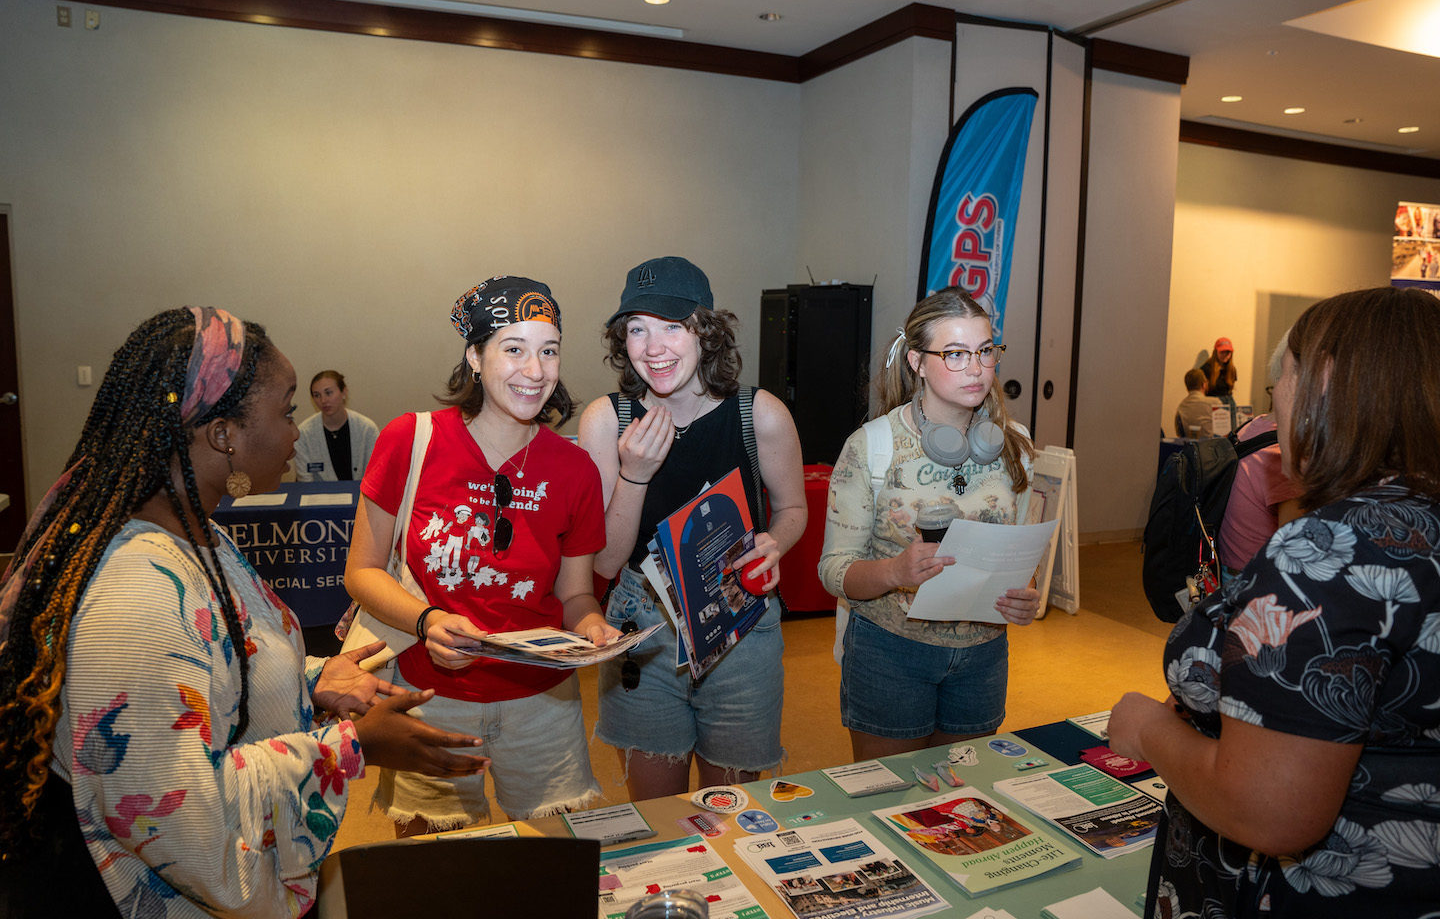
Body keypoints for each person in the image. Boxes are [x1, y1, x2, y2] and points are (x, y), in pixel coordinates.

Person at [0, 307, 486, 918]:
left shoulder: (191, 529)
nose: (295, 435)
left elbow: (214, 665)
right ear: (223, 434)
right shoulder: (135, 596)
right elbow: (186, 830)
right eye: (286, 413)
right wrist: (352, 745)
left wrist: (309, 680)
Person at [1109, 286, 1440, 918]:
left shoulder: (1328, 551)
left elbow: (1270, 808)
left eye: (1276, 387)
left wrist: (1151, 731)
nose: (1275, 409)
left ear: (1325, 381)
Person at [345, 276, 616, 833]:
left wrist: (592, 626)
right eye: (513, 349)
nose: (535, 371)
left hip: (543, 704)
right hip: (429, 696)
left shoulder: (574, 468)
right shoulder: (410, 439)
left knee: (550, 872)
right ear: (474, 355)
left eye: (549, 351)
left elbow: (576, 592)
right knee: (443, 878)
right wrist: (429, 621)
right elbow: (363, 571)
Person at [578, 255, 806, 801]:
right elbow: (605, 563)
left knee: (730, 811)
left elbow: (793, 509)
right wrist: (634, 474)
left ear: (705, 330)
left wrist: (775, 541)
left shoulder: (760, 414)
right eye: (637, 329)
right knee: (658, 815)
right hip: (642, 624)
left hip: (738, 617)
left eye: (671, 327)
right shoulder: (607, 421)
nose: (653, 348)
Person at [818, 288, 1043, 762]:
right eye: (955, 354)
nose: (977, 368)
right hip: (890, 652)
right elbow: (834, 570)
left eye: (985, 352)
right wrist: (893, 573)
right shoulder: (871, 447)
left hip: (983, 656)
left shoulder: (1015, 444)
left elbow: (1021, 557)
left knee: (956, 807)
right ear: (917, 362)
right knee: (887, 797)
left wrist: (1026, 594)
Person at [1215, 333, 1303, 582]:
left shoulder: (1250, 427)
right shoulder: (1280, 453)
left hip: (1227, 569)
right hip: (1254, 579)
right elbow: (1293, 548)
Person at [291, 369, 380, 481]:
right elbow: (305, 480)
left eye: (328, 393)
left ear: (344, 392)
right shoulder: (303, 434)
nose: (323, 400)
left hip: (360, 495)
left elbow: (374, 477)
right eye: (317, 395)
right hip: (319, 496)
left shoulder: (367, 429)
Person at [1173, 367, 1219, 437]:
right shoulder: (1215, 403)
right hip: (1210, 446)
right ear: (1204, 385)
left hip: (1190, 446)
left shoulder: (1181, 407)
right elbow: (1224, 432)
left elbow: (1179, 433)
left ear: (1187, 387)